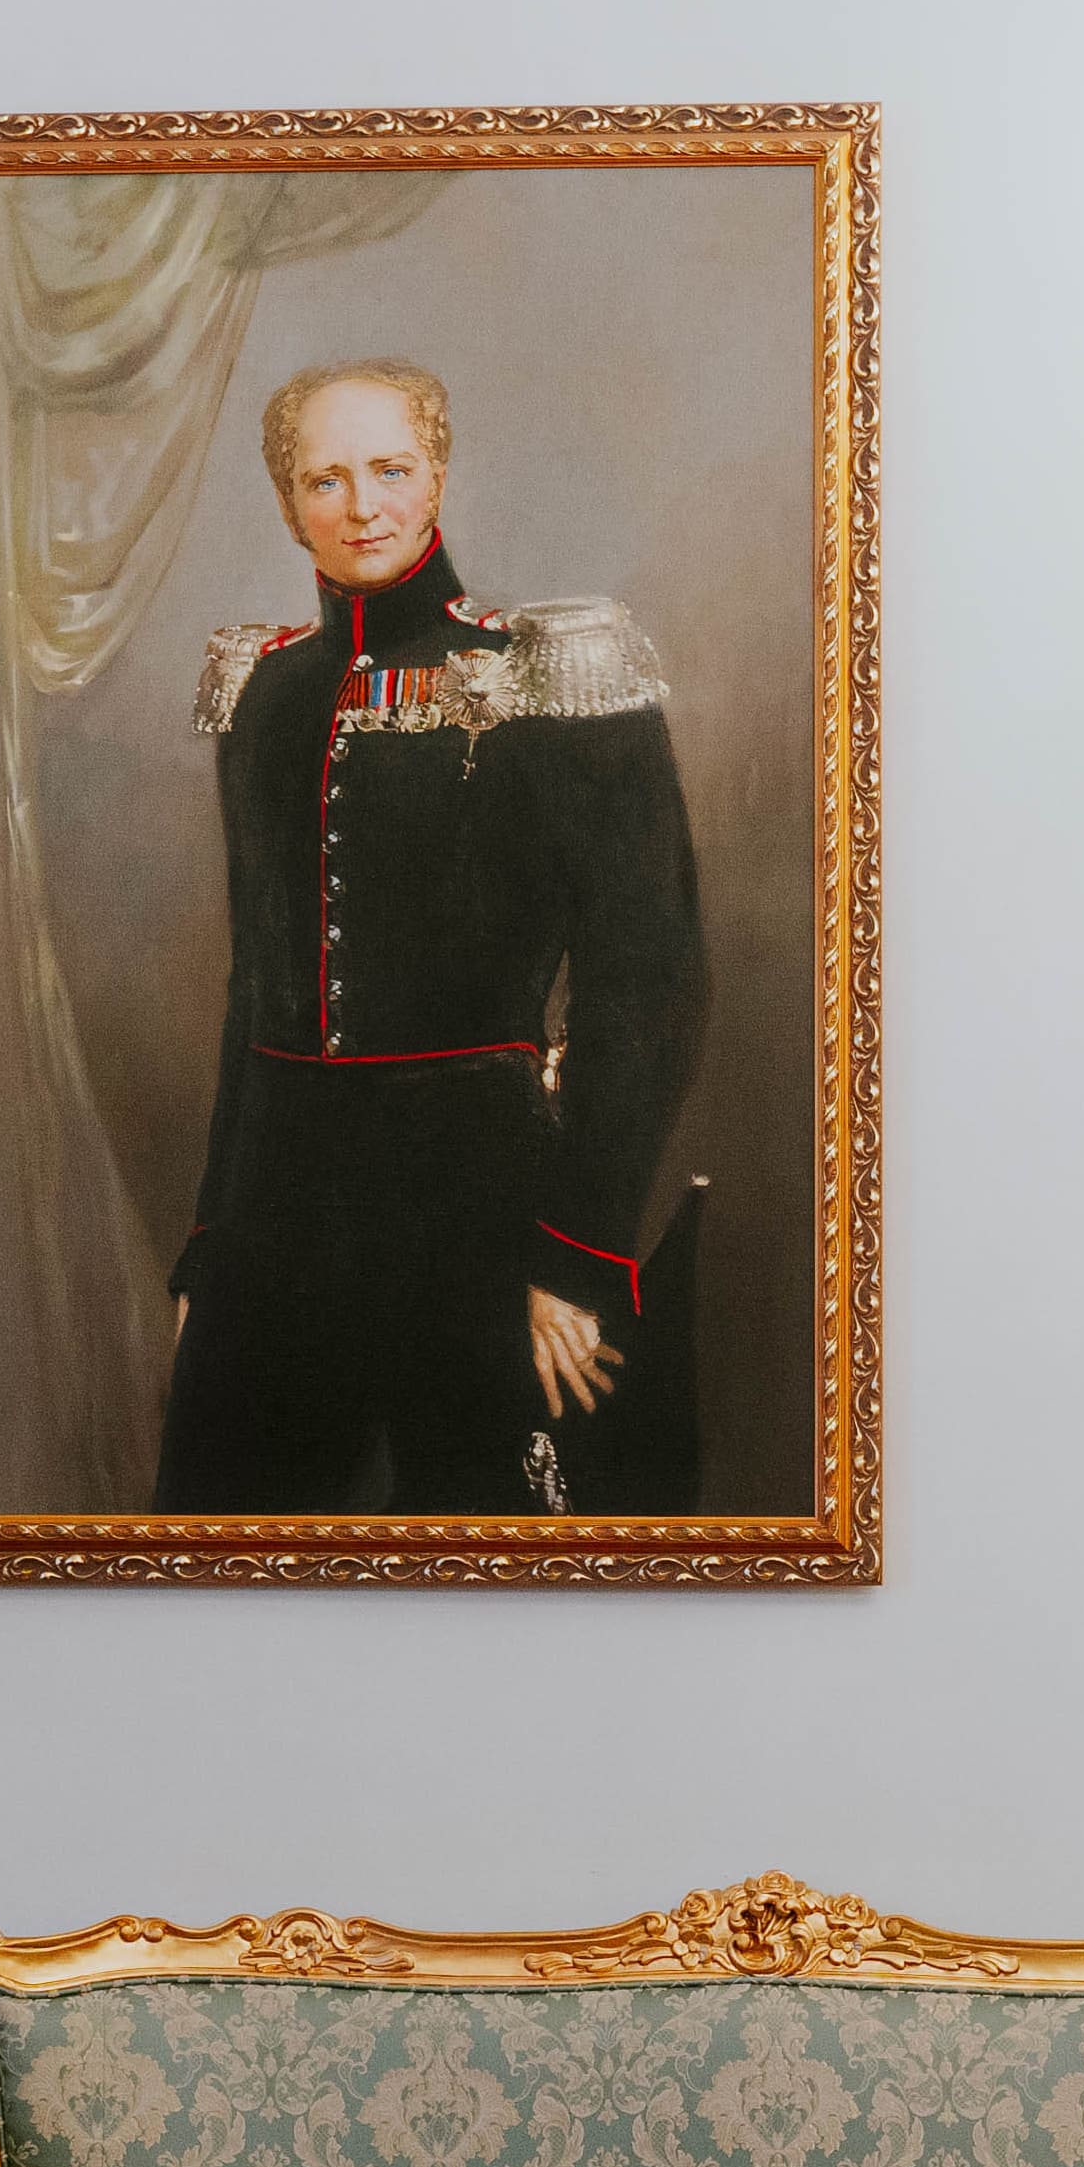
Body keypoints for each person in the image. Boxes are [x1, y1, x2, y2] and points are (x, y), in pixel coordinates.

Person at [149, 359, 705, 1513]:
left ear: (438, 475)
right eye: (326, 480)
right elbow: (256, 990)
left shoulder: (553, 678)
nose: (362, 506)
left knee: (490, 1542)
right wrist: (211, 1244)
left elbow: (646, 982)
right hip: (276, 1220)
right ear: (288, 504)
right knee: (219, 1540)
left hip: (483, 1212)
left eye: (391, 469)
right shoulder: (264, 693)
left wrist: (579, 1253)